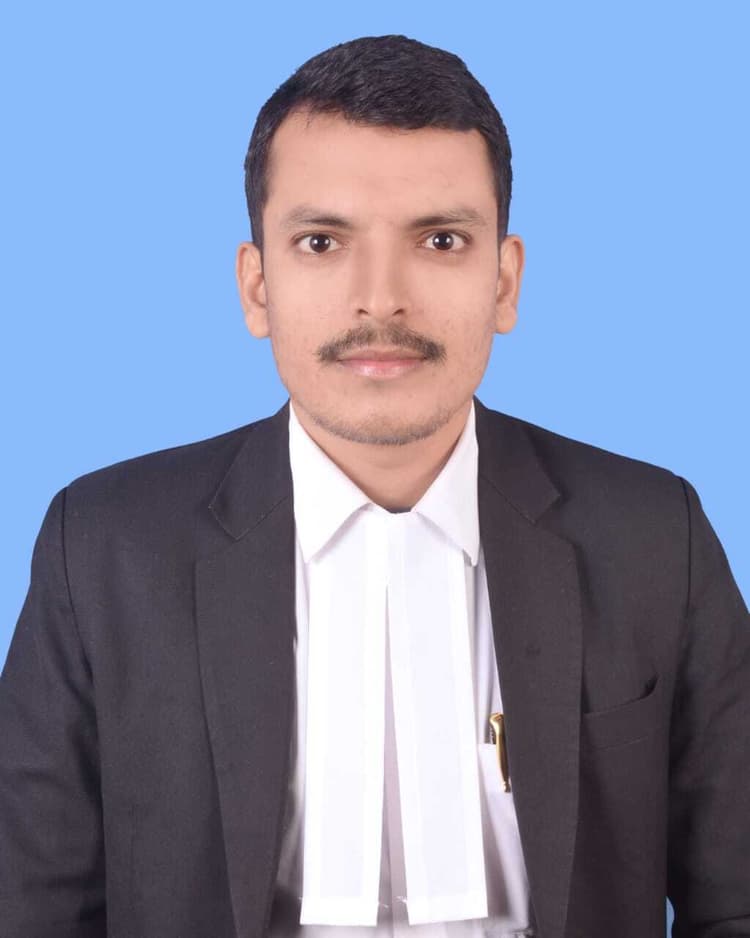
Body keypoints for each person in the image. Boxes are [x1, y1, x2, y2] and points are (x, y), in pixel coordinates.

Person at [1, 33, 748, 938]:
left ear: (504, 281)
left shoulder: (655, 536)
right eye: (322, 241)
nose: (381, 299)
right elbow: (32, 909)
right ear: (258, 287)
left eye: (440, 239)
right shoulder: (103, 547)